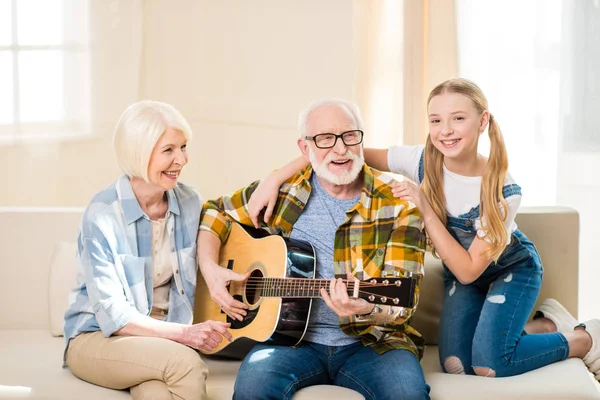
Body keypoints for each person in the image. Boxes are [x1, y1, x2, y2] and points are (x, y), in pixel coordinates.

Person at [248, 78, 600, 380]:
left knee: (490, 364)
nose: (445, 130)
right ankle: (531, 326)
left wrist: (426, 209)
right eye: (436, 120)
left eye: (458, 118)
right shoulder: (421, 159)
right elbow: (342, 148)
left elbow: (466, 270)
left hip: (507, 271)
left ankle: (582, 338)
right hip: (463, 273)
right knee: (456, 365)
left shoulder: (503, 191)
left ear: (482, 121)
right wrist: (276, 177)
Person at [197, 98, 431, 399]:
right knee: (252, 388)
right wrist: (210, 269)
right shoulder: (283, 191)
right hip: (290, 342)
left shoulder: (399, 204)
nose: (340, 148)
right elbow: (215, 214)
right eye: (325, 139)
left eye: (349, 135)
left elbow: (402, 299)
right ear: (305, 148)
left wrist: (367, 306)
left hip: (375, 343)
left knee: (406, 395)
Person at [63, 100, 232, 400]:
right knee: (185, 364)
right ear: (139, 154)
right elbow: (113, 315)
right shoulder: (103, 215)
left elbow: (225, 219)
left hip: (158, 342)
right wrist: (186, 334)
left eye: (183, 147)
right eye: (168, 150)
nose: (181, 159)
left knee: (158, 392)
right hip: (98, 338)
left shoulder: (189, 201)